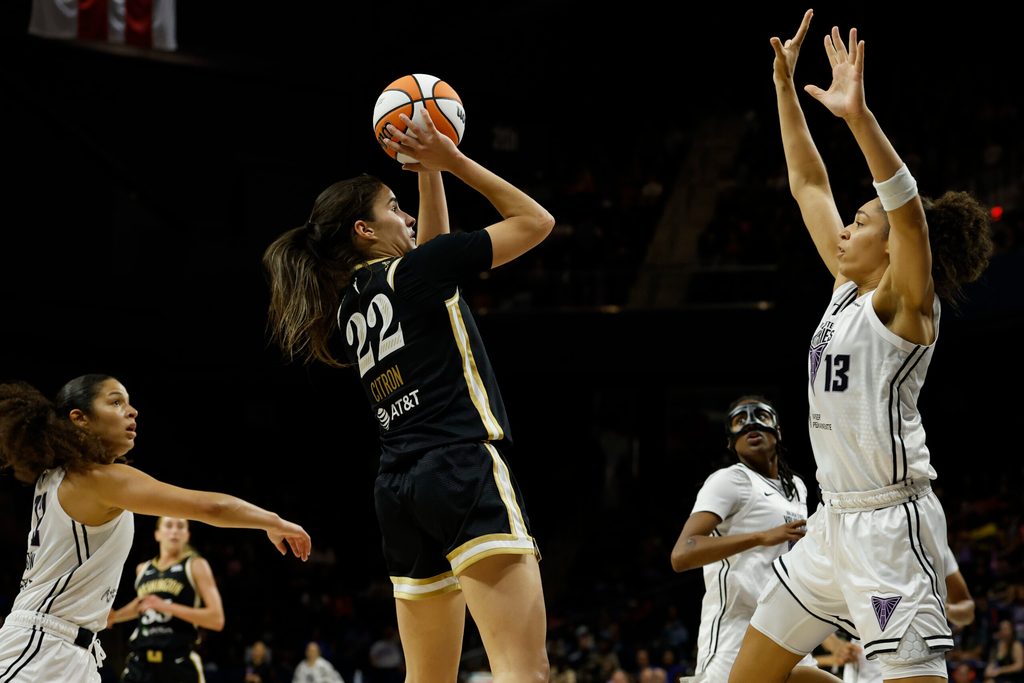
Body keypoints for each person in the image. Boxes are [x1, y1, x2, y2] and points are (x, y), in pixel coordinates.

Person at [728, 9, 993, 683]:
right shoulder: (844, 288)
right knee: (752, 675)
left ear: (893, 246)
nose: (846, 226)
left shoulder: (908, 306)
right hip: (830, 524)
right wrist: (786, 90)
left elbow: (905, 210)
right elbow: (808, 184)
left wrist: (858, 119)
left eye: (860, 220)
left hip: (888, 526)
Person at [262, 108, 554, 683]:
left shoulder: (349, 306)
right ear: (364, 232)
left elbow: (430, 249)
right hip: (460, 467)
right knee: (524, 669)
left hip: (398, 489)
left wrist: (427, 172)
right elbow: (536, 221)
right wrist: (454, 160)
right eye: (394, 208)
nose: (408, 218)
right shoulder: (412, 275)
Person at [0, 375, 311, 682]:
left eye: (129, 403)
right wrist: (273, 521)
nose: (132, 411)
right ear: (80, 419)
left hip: (71, 650)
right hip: (41, 648)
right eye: (116, 402)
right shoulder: (97, 479)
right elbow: (209, 507)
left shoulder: (59, 476)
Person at [670, 396, 819, 682]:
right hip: (736, 633)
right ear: (730, 442)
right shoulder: (730, 480)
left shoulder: (798, 488)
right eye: (740, 420)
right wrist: (761, 537)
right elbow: (682, 553)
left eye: (760, 416)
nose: (750, 423)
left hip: (788, 626)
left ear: (778, 431)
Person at [822, 542, 976, 682]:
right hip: (866, 667)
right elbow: (814, 607)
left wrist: (944, 607)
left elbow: (967, 610)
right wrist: (835, 645)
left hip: (921, 663)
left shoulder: (933, 542)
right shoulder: (853, 540)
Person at [107, 517, 224, 682]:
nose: (174, 530)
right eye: (169, 525)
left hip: (178, 662)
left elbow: (216, 619)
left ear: (187, 535)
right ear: (157, 534)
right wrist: (114, 617)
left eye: (180, 526)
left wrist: (166, 607)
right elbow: (143, 604)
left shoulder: (195, 565)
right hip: (140, 662)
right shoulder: (143, 569)